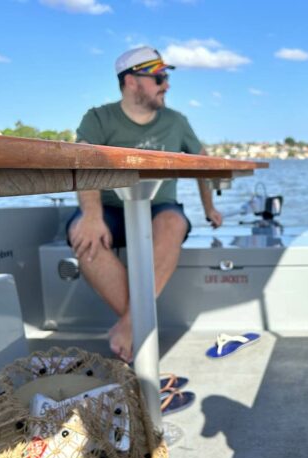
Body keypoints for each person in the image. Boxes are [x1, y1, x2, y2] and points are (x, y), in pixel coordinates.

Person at [67, 46, 222, 363]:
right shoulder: (98, 118)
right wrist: (92, 215)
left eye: (165, 78)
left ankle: (129, 326)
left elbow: (203, 165)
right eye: (159, 78)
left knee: (174, 224)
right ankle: (137, 325)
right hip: (109, 209)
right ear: (131, 81)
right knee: (83, 234)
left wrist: (209, 209)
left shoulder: (177, 122)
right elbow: (83, 163)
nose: (166, 85)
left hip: (158, 207)